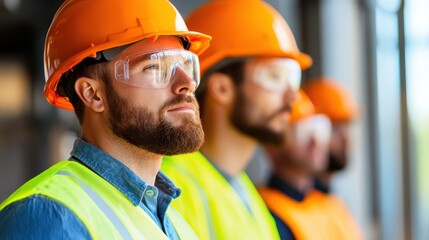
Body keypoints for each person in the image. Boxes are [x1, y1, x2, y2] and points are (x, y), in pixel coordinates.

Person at [0, 0, 212, 239]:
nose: (187, 83)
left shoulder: (174, 223)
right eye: (153, 67)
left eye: (185, 65)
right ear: (93, 94)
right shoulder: (45, 217)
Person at [161, 0, 312, 239]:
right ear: (222, 88)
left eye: (294, 79)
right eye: (275, 76)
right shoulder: (171, 188)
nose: (293, 95)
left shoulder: (248, 195)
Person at [259, 90, 362, 239]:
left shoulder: (329, 205)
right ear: (272, 147)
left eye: (318, 129)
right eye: (302, 132)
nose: (315, 141)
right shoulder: (266, 211)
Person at [302, 77, 360, 192]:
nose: (346, 140)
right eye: (336, 130)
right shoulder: (279, 204)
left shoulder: (334, 204)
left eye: (347, 128)